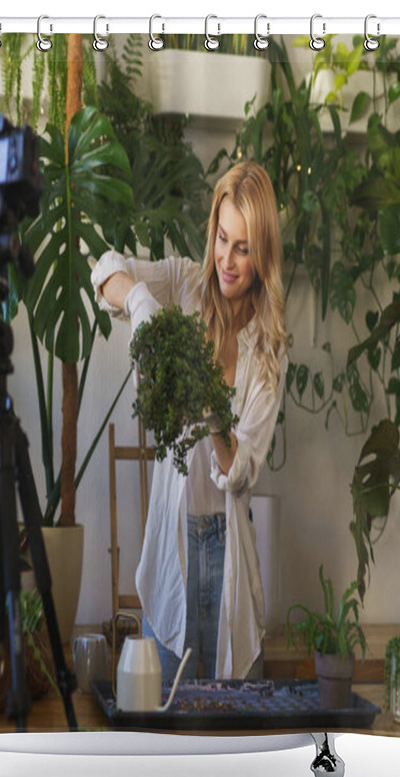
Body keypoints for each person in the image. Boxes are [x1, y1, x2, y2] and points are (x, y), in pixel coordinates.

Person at [91, 162, 287, 681]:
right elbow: (105, 268)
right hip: (170, 543)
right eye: (222, 238)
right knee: (166, 727)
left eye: (243, 248)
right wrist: (138, 301)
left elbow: (242, 470)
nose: (225, 258)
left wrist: (209, 411)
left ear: (263, 253)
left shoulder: (269, 350)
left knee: (229, 728)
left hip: (228, 552)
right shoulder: (182, 283)